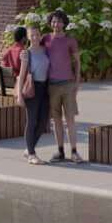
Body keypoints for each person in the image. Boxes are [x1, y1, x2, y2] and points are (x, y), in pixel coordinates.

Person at [2, 26, 48, 164]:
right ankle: (32, 154)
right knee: (32, 121)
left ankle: (29, 149)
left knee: (43, 122)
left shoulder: (45, 50)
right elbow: (21, 76)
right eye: (32, 35)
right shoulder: (26, 53)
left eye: (37, 35)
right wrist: (20, 95)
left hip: (45, 89)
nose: (35, 37)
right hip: (32, 88)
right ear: (28, 37)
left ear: (41, 36)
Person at [41, 10, 81, 162]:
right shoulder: (46, 39)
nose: (55, 24)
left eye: (58, 21)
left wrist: (77, 82)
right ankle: (60, 151)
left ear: (64, 23)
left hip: (68, 85)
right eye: (53, 21)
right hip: (52, 86)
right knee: (56, 119)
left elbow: (77, 62)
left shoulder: (70, 40)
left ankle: (74, 152)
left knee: (69, 119)